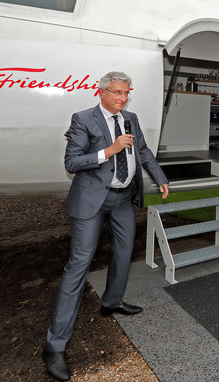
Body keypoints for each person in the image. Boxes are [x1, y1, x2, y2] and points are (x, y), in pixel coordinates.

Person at [43, 71, 169, 381]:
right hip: (91, 200)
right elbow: (71, 162)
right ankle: (55, 345)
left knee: (124, 253)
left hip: (123, 198)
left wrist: (160, 176)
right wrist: (109, 151)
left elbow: (141, 151)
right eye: (117, 93)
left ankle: (112, 302)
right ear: (100, 92)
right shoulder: (83, 119)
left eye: (127, 93)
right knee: (79, 264)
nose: (123, 98)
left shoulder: (131, 118)